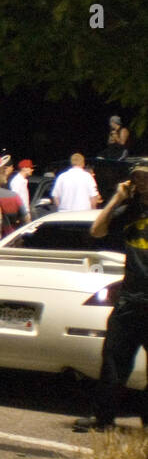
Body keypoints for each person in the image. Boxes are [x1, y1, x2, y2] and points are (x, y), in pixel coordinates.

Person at [74, 166, 148, 432]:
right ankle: (102, 418)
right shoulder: (130, 210)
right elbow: (96, 231)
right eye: (137, 176)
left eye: (146, 176)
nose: (141, 181)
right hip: (130, 299)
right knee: (114, 363)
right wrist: (117, 198)